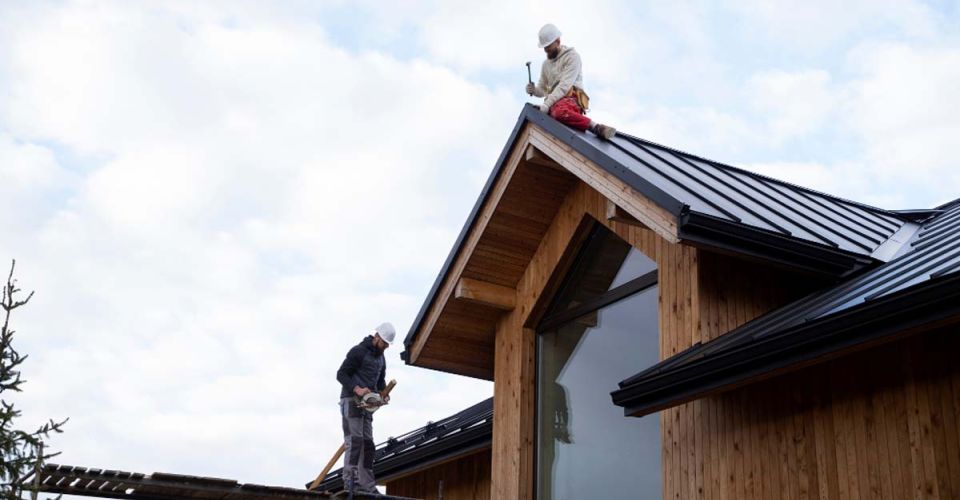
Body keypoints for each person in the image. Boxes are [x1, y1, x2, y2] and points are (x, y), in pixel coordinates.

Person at [526, 23, 617, 140]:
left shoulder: (572, 57)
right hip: (553, 102)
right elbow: (543, 89)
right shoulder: (546, 64)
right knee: (539, 118)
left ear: (558, 41)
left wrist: (546, 105)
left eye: (549, 48)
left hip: (570, 99)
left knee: (559, 113)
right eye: (545, 49)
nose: (546, 51)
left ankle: (596, 127)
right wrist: (534, 90)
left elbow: (564, 86)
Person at [335, 322, 395, 494]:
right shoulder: (358, 352)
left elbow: (380, 381)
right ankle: (351, 483)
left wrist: (384, 393)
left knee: (368, 444)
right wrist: (357, 388)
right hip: (351, 401)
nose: (385, 347)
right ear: (376, 337)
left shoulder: (381, 359)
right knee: (355, 441)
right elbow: (341, 374)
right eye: (384, 343)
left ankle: (367, 485)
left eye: (387, 345)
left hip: (368, 406)